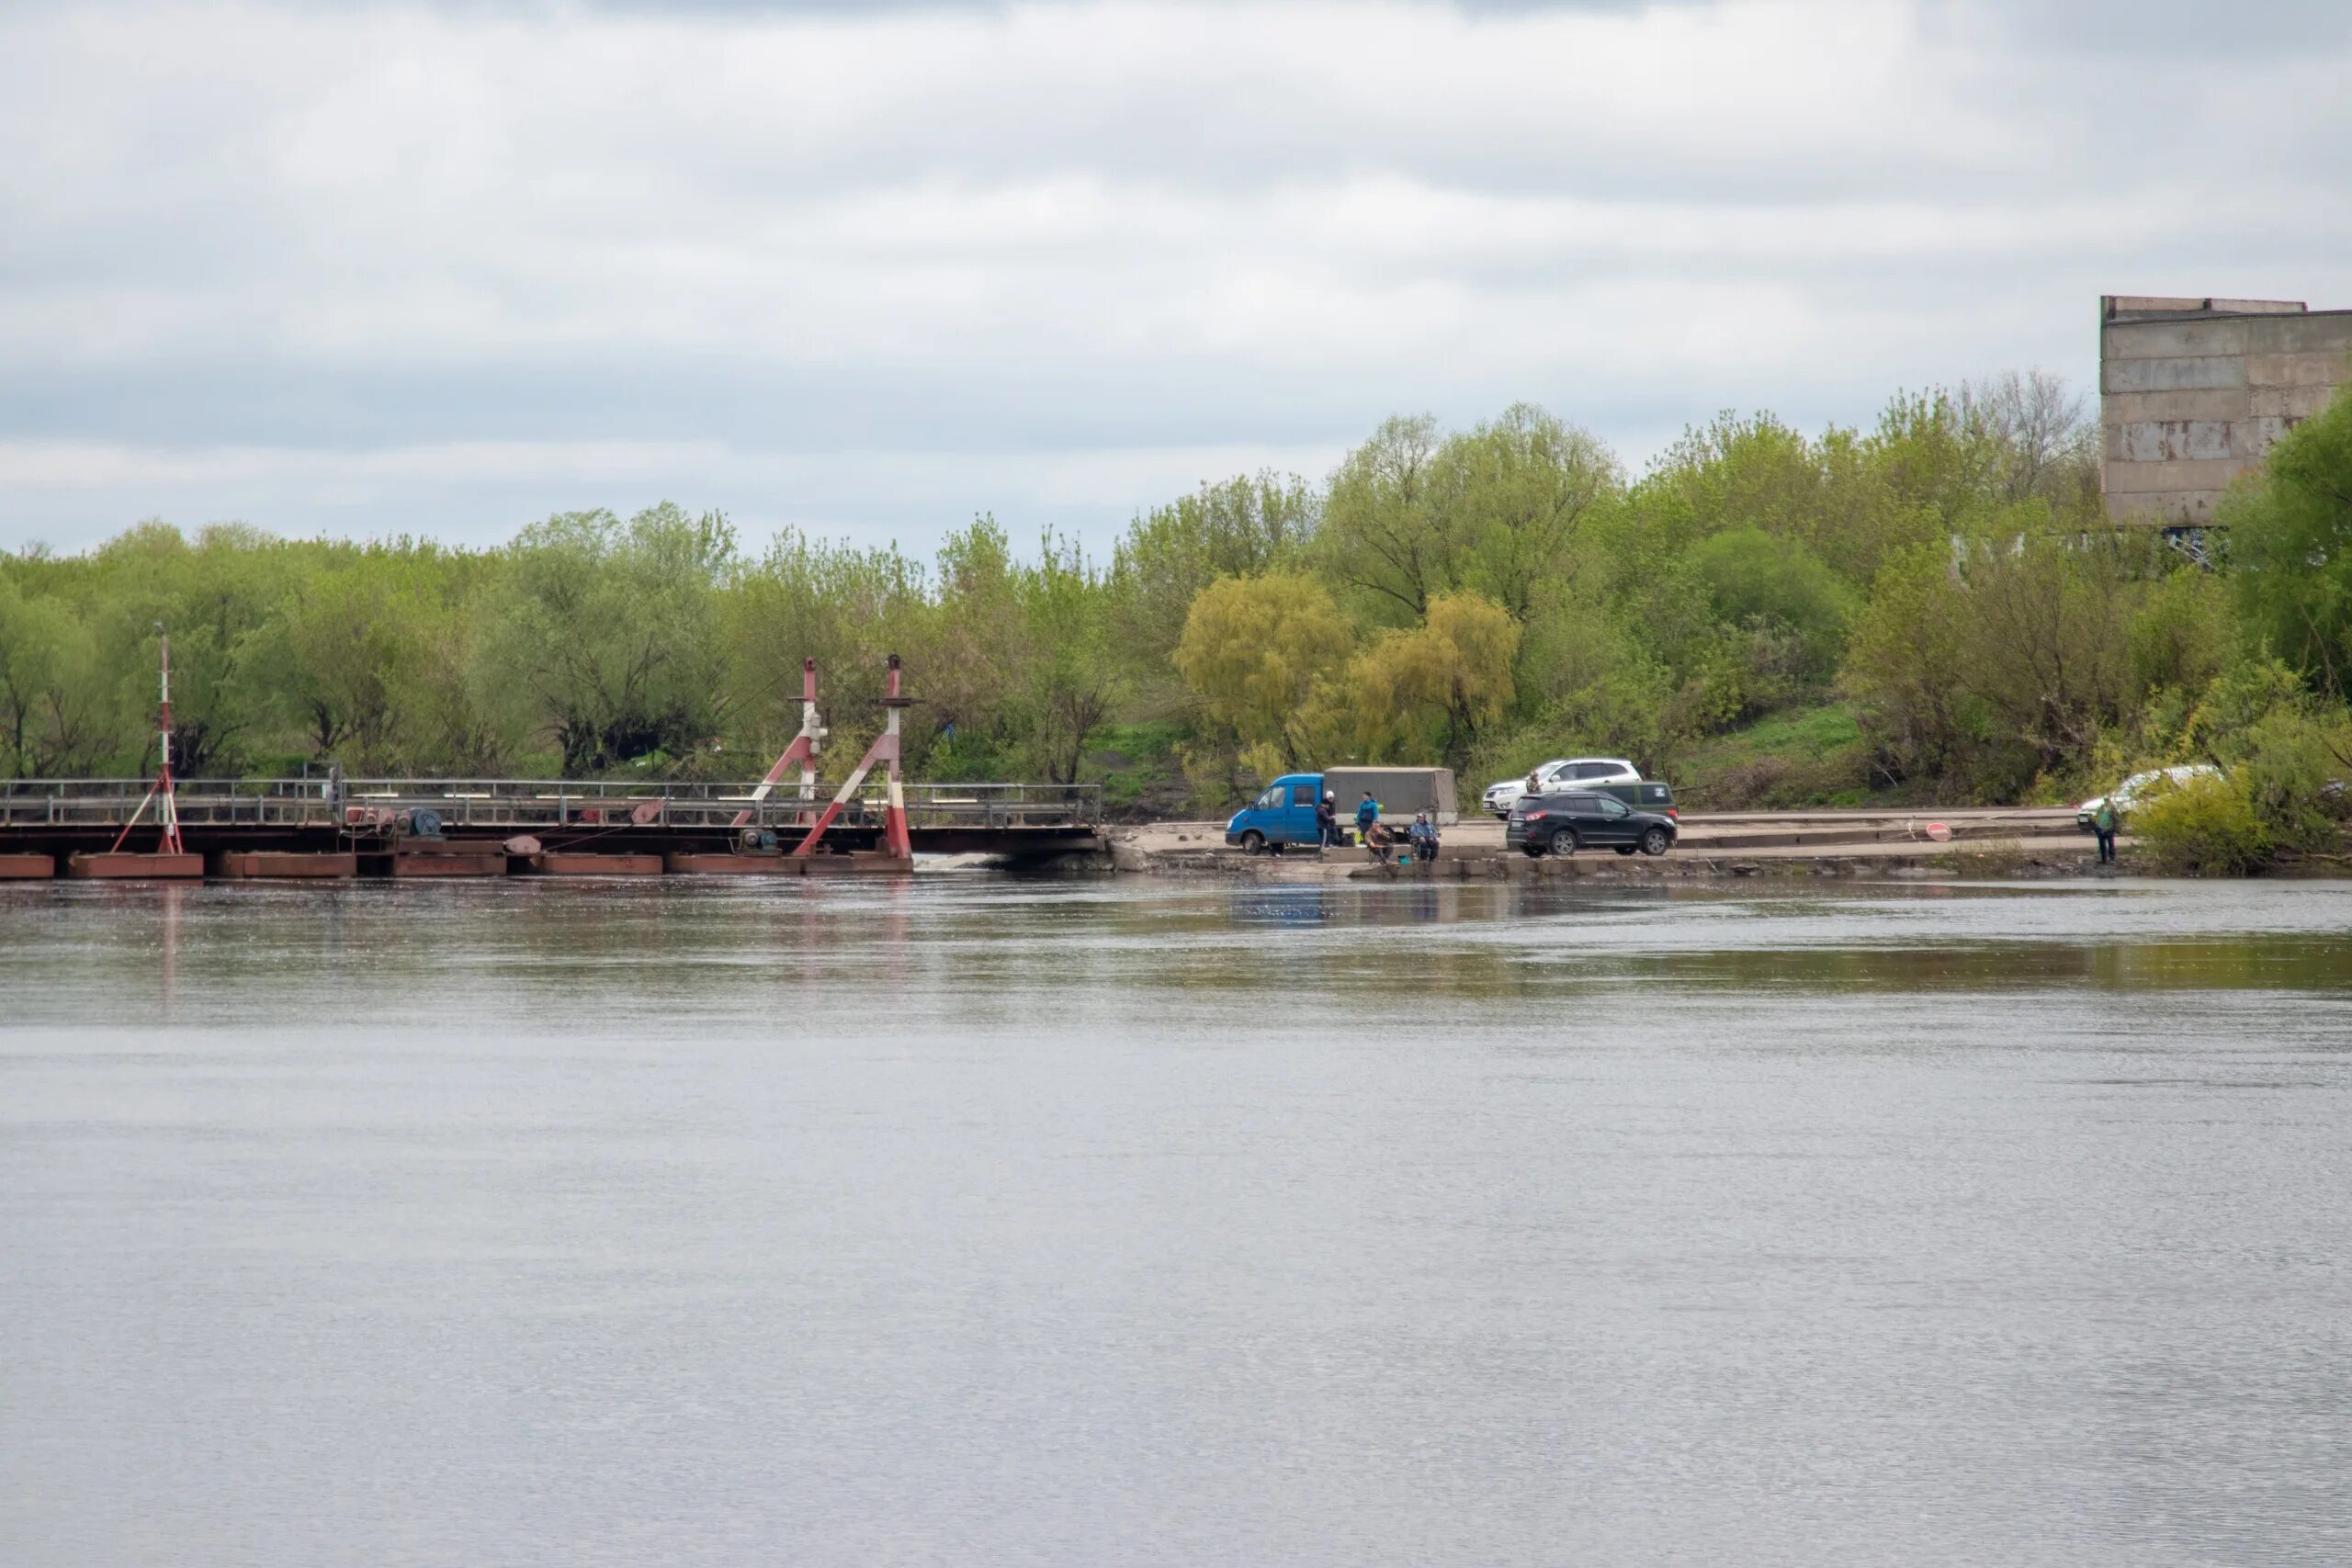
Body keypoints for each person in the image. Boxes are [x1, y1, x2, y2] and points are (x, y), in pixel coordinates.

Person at [2093, 795, 2119, 864]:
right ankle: (2103, 860)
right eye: (2105, 800)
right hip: (2101, 829)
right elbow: (2098, 817)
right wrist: (2097, 827)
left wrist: (2114, 828)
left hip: (2109, 829)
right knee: (2102, 846)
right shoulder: (2102, 808)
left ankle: (2112, 859)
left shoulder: (2113, 809)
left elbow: (2116, 819)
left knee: (2111, 845)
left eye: (2107, 800)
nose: (2106, 801)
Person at [1315, 792, 1338, 856]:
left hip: (1328, 824)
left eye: (1332, 798)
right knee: (1325, 839)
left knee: (1328, 838)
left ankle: (1325, 851)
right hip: (1324, 825)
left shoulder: (1332, 804)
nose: (1332, 799)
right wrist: (1332, 817)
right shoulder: (1322, 809)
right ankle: (1322, 853)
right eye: (1330, 798)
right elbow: (1326, 818)